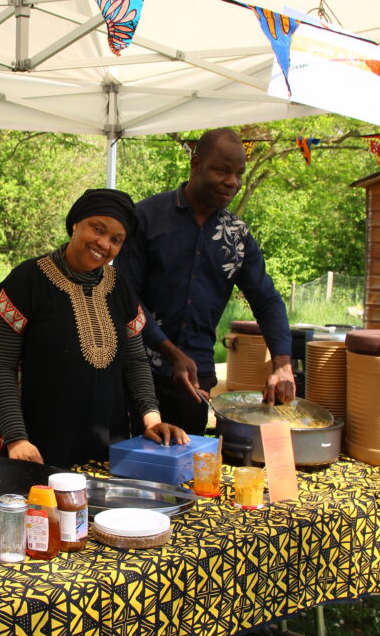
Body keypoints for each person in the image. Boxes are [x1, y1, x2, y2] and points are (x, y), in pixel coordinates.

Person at [0, 187, 188, 469]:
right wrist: (16, 438)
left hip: (109, 447)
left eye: (116, 240)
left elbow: (135, 361)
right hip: (39, 446)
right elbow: (1, 366)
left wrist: (151, 417)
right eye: (98, 229)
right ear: (76, 223)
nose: (104, 244)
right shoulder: (27, 281)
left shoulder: (120, 286)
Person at [116, 128, 295, 435]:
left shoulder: (237, 235)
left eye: (239, 173)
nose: (232, 182)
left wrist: (282, 364)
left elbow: (265, 299)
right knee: (128, 466)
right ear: (196, 165)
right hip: (135, 370)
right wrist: (171, 351)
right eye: (222, 170)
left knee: (186, 472)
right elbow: (124, 295)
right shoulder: (146, 216)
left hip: (194, 379)